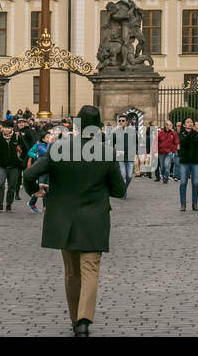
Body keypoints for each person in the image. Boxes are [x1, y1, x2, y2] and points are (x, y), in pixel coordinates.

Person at [21, 105, 126, 337]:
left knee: (71, 272)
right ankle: (84, 320)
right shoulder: (106, 152)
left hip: (63, 218)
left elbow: (28, 174)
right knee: (90, 270)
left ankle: (74, 318)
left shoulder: (58, 148)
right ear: (98, 129)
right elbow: (119, 190)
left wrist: (35, 191)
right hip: (94, 219)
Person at [0, 120, 23, 212]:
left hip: (14, 166)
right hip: (2, 166)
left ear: (12, 128)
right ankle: (0, 204)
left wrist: (20, 161)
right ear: (2, 128)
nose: (7, 129)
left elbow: (25, 149)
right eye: (5, 127)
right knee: (1, 184)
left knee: (12, 186)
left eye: (9, 128)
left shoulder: (17, 138)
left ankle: (9, 204)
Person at [176, 118, 198, 211]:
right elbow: (184, 142)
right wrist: (191, 133)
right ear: (184, 125)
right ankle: (183, 204)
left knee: (195, 183)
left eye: (191, 122)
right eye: (187, 122)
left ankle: (195, 204)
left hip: (195, 161)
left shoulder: (197, 133)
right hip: (184, 161)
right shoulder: (182, 133)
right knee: (183, 182)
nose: (190, 124)